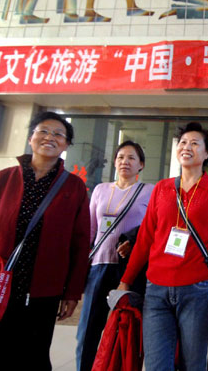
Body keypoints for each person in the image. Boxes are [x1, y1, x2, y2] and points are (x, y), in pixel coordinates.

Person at [117, 122, 208, 371]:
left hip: (198, 289)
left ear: (206, 153)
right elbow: (146, 238)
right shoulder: (162, 188)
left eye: (194, 143)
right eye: (182, 142)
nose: (186, 146)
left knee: (193, 364)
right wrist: (126, 280)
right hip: (156, 289)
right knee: (157, 364)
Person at [0, 111, 90, 371]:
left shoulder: (73, 188)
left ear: (66, 145)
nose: (49, 137)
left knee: (34, 360)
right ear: (31, 138)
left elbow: (80, 242)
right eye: (43, 131)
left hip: (41, 291)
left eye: (58, 134)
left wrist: (72, 292)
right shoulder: (0, 180)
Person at [76, 140, 154, 371]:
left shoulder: (149, 191)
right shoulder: (100, 189)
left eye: (131, 158)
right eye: (120, 157)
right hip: (99, 265)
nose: (124, 162)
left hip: (130, 270)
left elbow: (154, 228)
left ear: (141, 165)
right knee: (88, 331)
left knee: (127, 331)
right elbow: (90, 229)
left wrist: (135, 242)